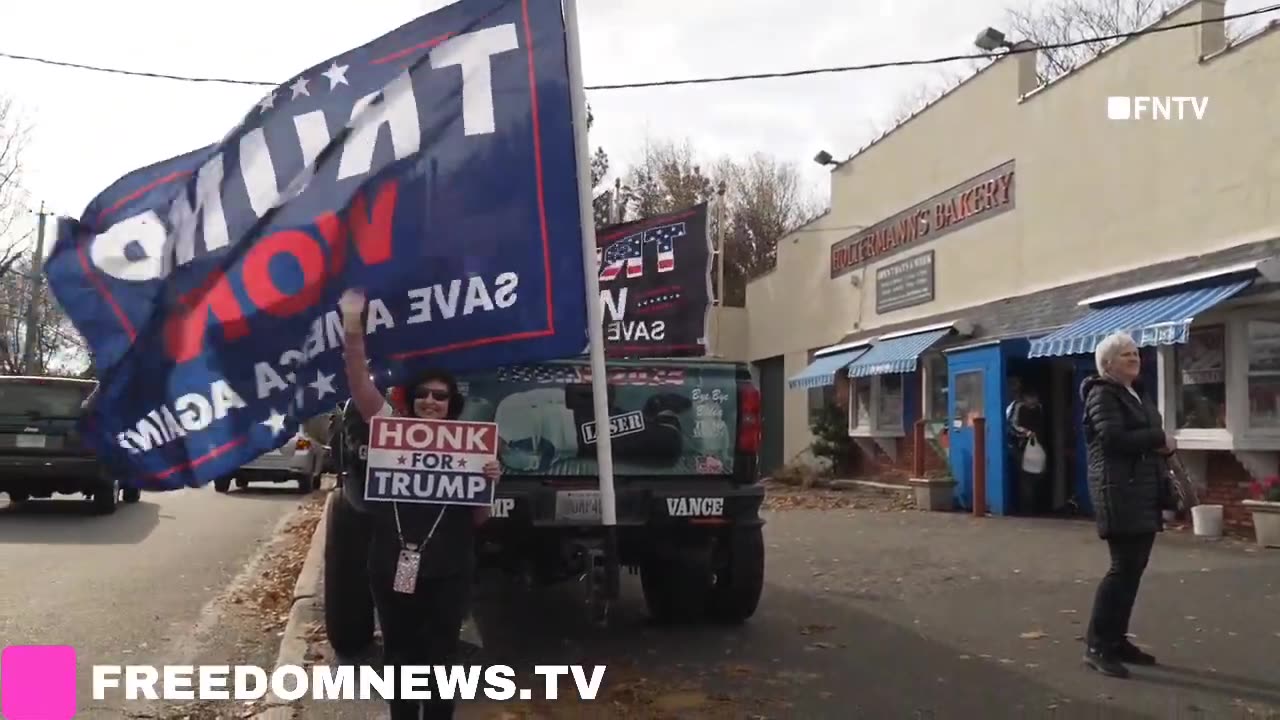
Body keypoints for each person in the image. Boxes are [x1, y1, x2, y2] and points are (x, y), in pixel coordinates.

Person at [338, 289, 501, 720]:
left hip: (450, 567)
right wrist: (353, 324)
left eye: (441, 396)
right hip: (391, 564)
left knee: (442, 657)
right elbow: (358, 383)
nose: (431, 401)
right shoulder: (390, 429)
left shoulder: (470, 448)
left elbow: (479, 519)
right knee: (400, 656)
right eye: (425, 393)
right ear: (412, 398)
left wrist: (490, 482)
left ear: (452, 405)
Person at [1080, 331, 1176, 679]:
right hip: (1118, 491)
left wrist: (1164, 446)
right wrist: (1157, 439)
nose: (1134, 358)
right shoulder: (1102, 393)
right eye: (1125, 354)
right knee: (1122, 568)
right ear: (1107, 364)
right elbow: (1114, 438)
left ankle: (1116, 640)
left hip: (1144, 490)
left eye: (1136, 353)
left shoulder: (1137, 393)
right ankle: (1097, 645)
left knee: (1134, 569)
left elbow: (1151, 437)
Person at [1010, 388, 1047, 514]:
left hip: (1036, 446)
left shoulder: (1039, 408)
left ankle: (1032, 505)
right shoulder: (1018, 407)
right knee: (1026, 477)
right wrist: (1025, 432)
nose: (1033, 402)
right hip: (1022, 446)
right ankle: (1027, 508)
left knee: (1036, 475)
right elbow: (1012, 425)